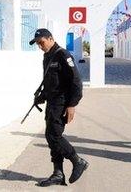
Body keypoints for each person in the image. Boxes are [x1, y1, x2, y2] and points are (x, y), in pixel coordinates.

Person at [29, 28, 88, 187]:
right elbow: (51, 82)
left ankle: (78, 161)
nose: (40, 46)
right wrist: (41, 97)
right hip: (52, 102)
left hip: (62, 103)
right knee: (51, 136)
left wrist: (71, 105)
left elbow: (76, 81)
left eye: (41, 42)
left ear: (50, 38)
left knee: (53, 135)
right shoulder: (47, 56)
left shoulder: (63, 55)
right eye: (38, 44)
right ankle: (58, 173)